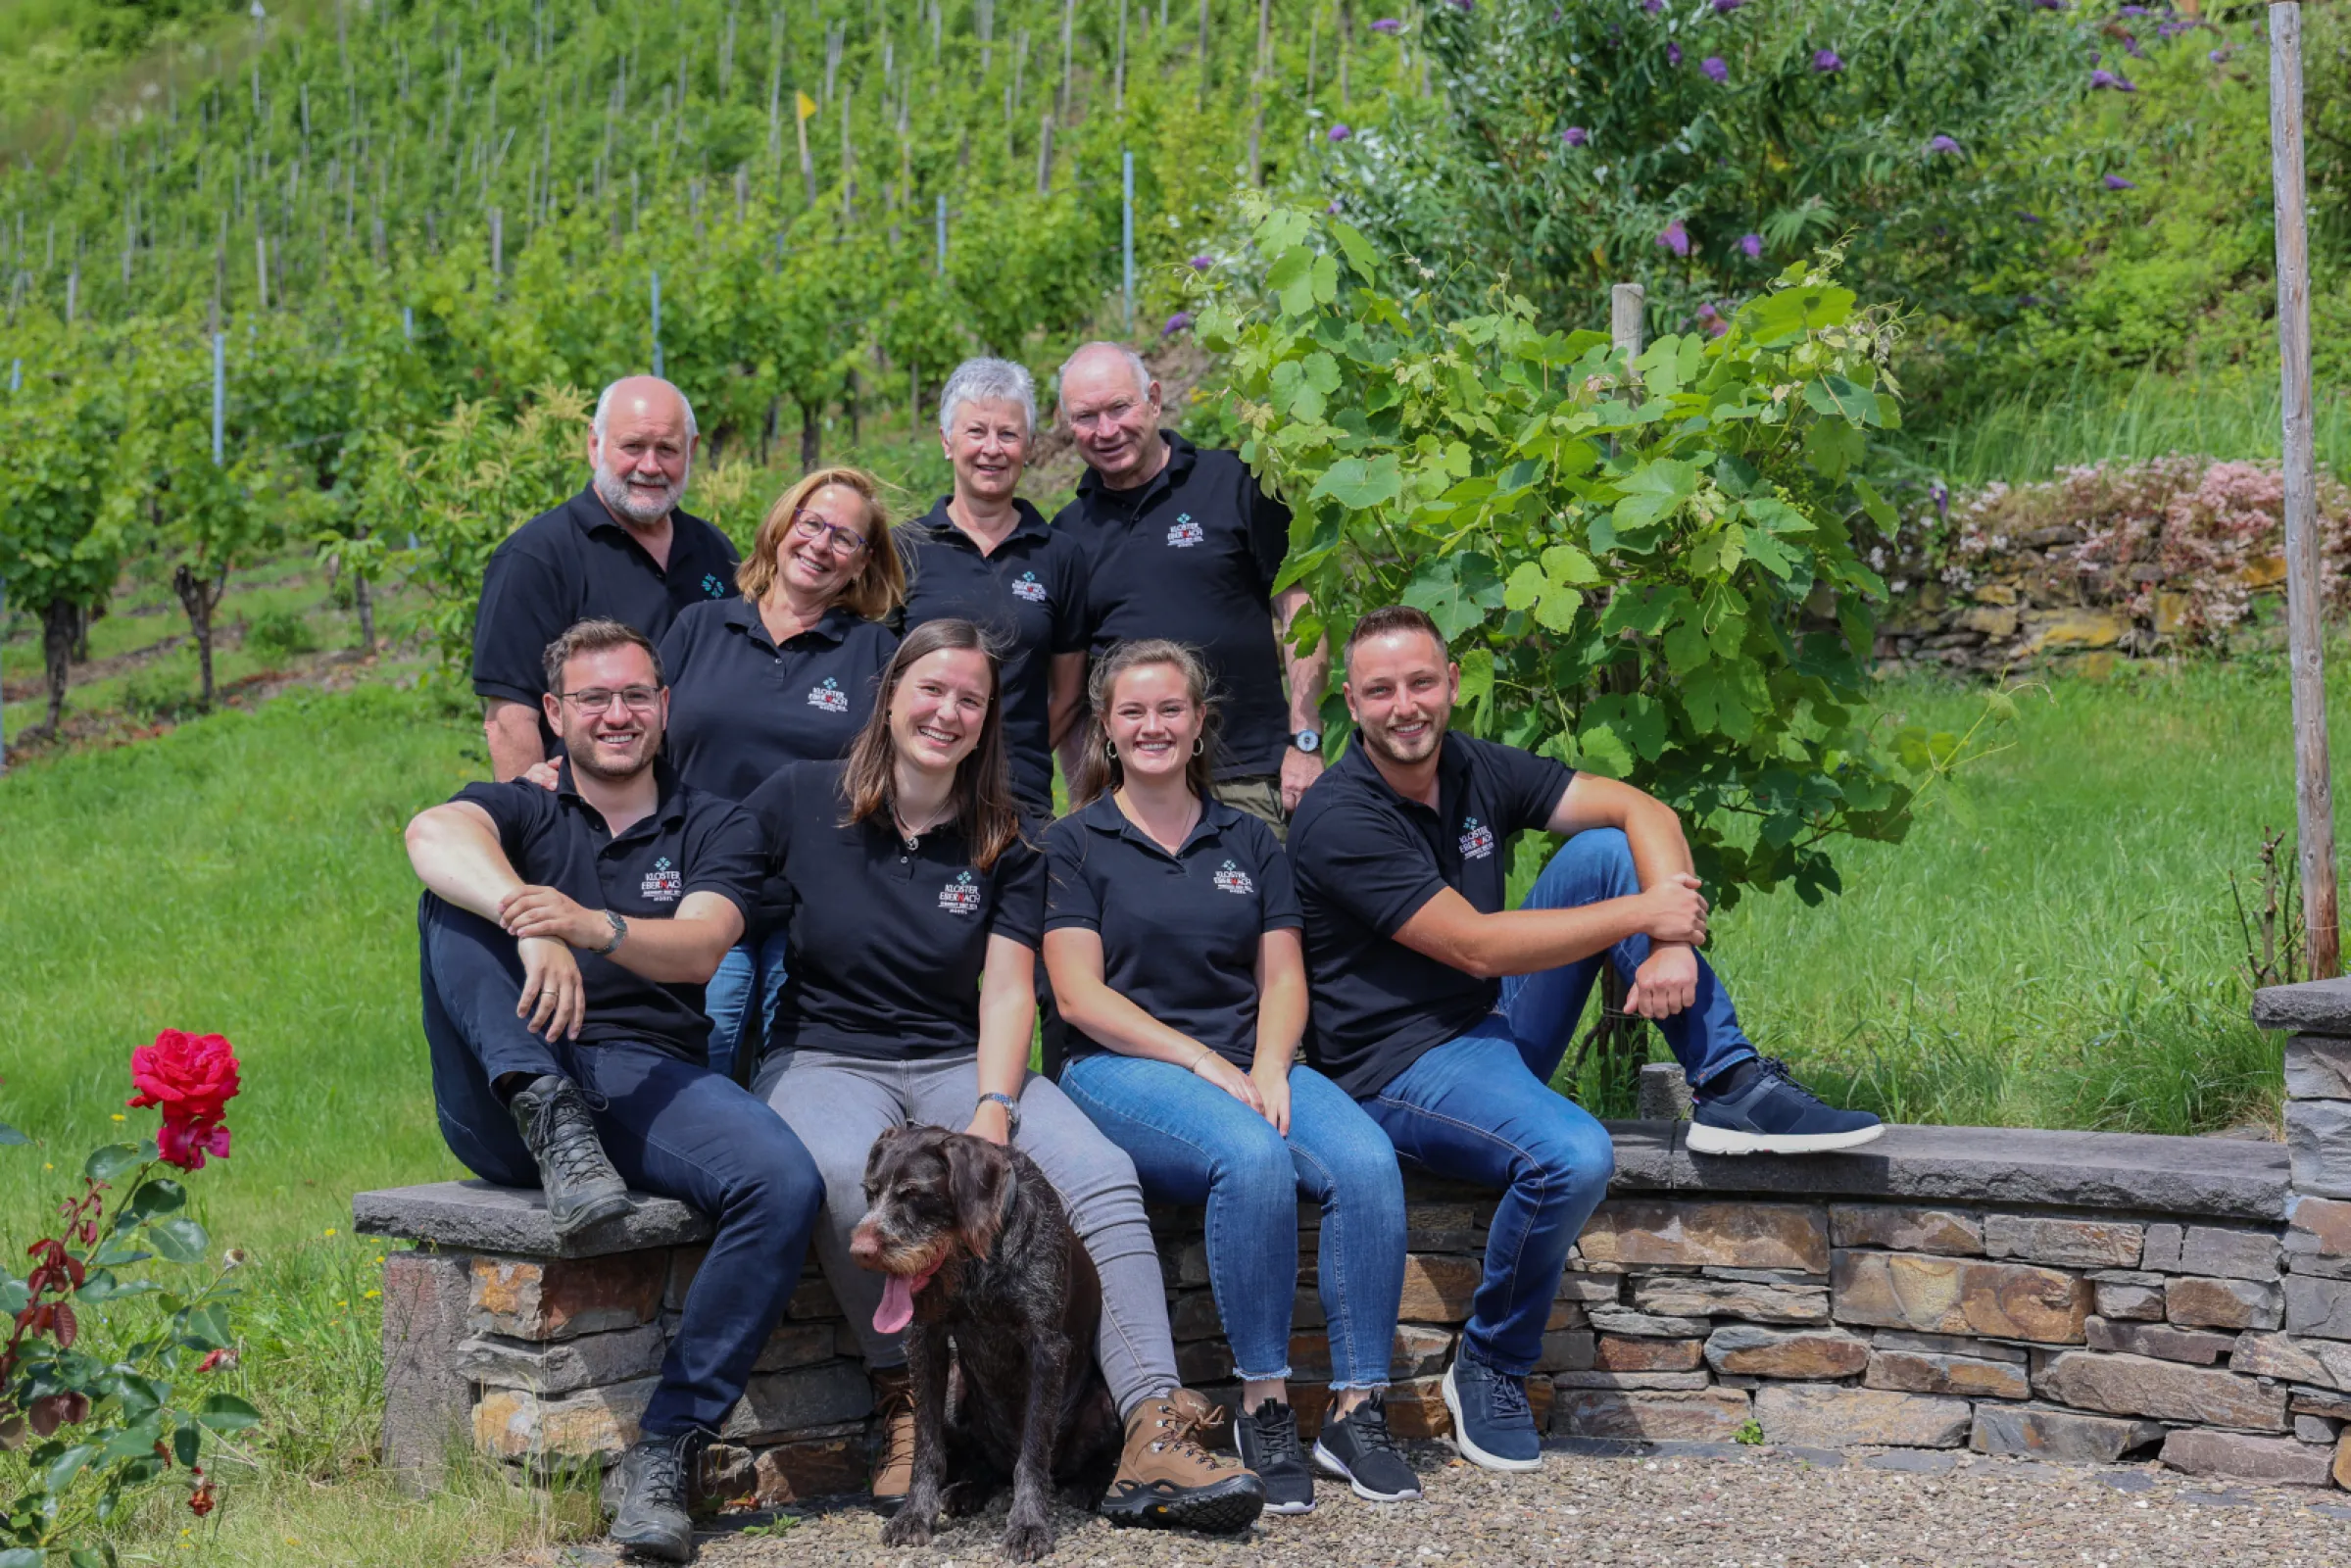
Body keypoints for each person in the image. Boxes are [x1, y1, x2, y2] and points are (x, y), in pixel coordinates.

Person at [1288, 606, 1884, 1474]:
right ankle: (1489, 1362)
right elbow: (1473, 944)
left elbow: (1640, 806)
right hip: (1398, 1069)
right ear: (1351, 702)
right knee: (1573, 1154)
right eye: (1381, 691)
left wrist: (1672, 941)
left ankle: (1730, 1085)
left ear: (1452, 683)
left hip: (1485, 1026)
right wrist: (1647, 913)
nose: (1405, 706)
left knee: (1605, 849)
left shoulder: (1471, 765)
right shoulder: (1342, 817)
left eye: (1421, 682)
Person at [741, 619, 1265, 1533]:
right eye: (931, 690)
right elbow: (707, 884)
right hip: (824, 1055)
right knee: (830, 1172)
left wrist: (993, 1105)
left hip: (955, 1058)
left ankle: (1150, 1416)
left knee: (1096, 1170)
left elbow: (1009, 992)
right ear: (891, 695)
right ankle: (908, 1400)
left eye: (970, 700)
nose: (947, 712)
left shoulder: (1002, 838)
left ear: (987, 721)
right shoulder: (797, 800)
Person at [403, 618, 823, 1562]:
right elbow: (430, 832)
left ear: (665, 707)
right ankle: (545, 1110)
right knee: (455, 900)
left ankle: (668, 1448)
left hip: (639, 1073)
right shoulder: (520, 807)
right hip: (506, 1096)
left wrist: (587, 924)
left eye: (636, 695)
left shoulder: (716, 820)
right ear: (554, 714)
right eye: (593, 698)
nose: (618, 714)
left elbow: (705, 941)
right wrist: (530, 923)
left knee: (783, 1181)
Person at [1045, 639, 1419, 1515]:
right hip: (1120, 1067)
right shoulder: (1075, 842)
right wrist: (1211, 1065)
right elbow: (1077, 995)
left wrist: (1270, 1064)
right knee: (1251, 1157)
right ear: (1104, 727)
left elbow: (1284, 977)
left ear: (1200, 721)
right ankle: (1263, 1405)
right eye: (1132, 711)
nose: (1152, 726)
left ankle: (1358, 1412)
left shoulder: (1249, 837)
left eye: (1170, 709)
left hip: (1250, 1060)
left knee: (1365, 1163)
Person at [658, 468, 904, 1078]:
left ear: (862, 563)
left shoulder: (874, 652)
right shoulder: (700, 626)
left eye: (845, 538)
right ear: (782, 526)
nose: (821, 544)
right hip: (703, 884)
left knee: (794, 1074)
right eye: (811, 523)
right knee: (702, 1053)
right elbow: (640, 734)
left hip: (812, 900)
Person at [1050, 342, 1326, 835]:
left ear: (1153, 399)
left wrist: (1305, 742)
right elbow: (1069, 686)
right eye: (1086, 416)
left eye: (1120, 407)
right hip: (1130, 791)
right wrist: (1084, 793)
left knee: (1266, 912)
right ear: (1065, 423)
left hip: (1250, 778)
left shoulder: (1237, 482)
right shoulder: (1066, 534)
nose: (1106, 430)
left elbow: (1300, 612)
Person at [473, 376, 739, 781]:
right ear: (594, 445)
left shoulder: (714, 551)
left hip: (705, 814)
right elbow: (509, 717)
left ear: (692, 451)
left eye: (667, 449)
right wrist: (532, 823)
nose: (650, 466)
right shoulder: (537, 557)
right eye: (633, 446)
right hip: (593, 818)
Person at [898, 358, 1089, 816]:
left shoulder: (1059, 555)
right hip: (914, 792)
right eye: (975, 432)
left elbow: (1067, 692)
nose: (992, 449)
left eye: (1007, 434)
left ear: (1030, 446)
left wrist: (1004, 761)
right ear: (946, 442)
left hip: (1017, 799)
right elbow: (878, 678)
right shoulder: (904, 548)